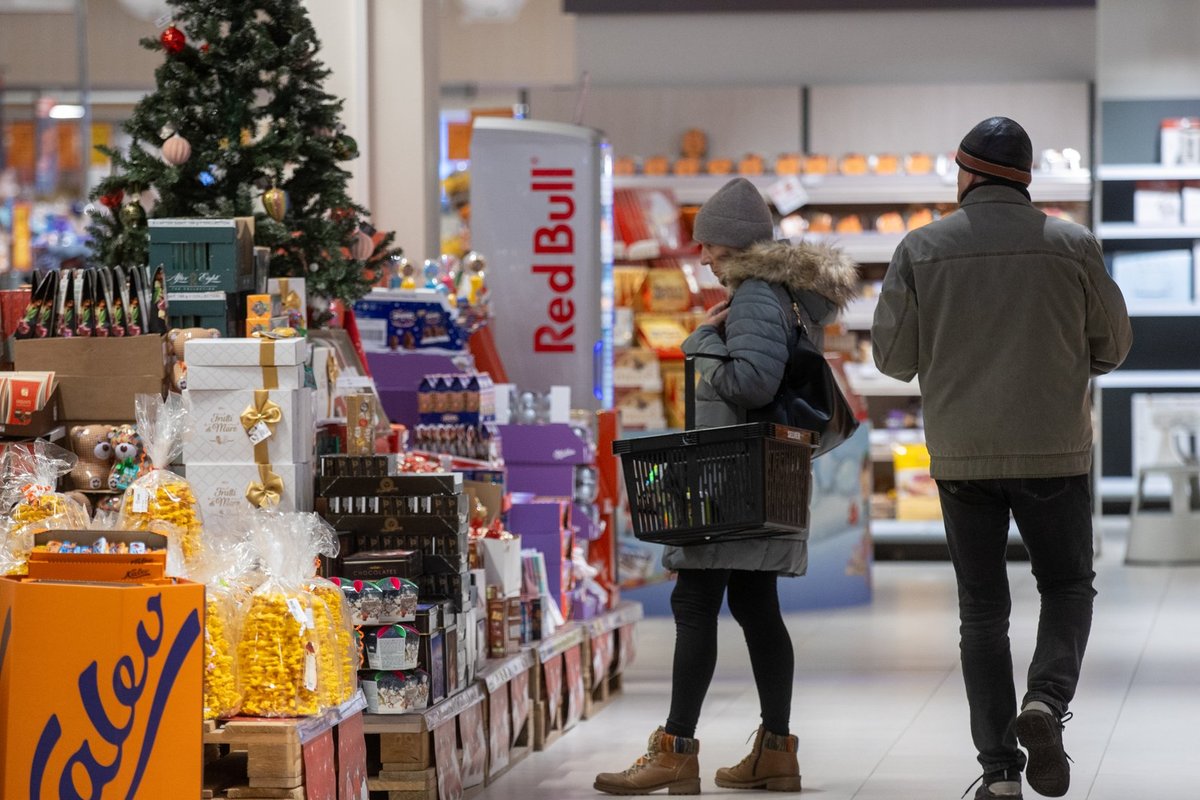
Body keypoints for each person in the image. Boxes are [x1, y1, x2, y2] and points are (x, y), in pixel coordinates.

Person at [871, 117, 1132, 800]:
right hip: (1054, 450)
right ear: (1025, 178)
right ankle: (1045, 700)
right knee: (1067, 585)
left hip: (963, 455)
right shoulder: (1073, 244)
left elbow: (892, 360)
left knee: (982, 612)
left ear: (966, 174)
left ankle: (999, 773)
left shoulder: (920, 247)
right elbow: (1113, 345)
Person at [594, 177, 857, 796]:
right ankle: (776, 753)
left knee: (694, 601)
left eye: (708, 244)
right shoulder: (785, 293)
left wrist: (703, 340)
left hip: (732, 473)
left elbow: (750, 384)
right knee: (756, 606)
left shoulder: (758, 294)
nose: (703, 256)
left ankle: (675, 751)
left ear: (734, 244)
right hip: (765, 472)